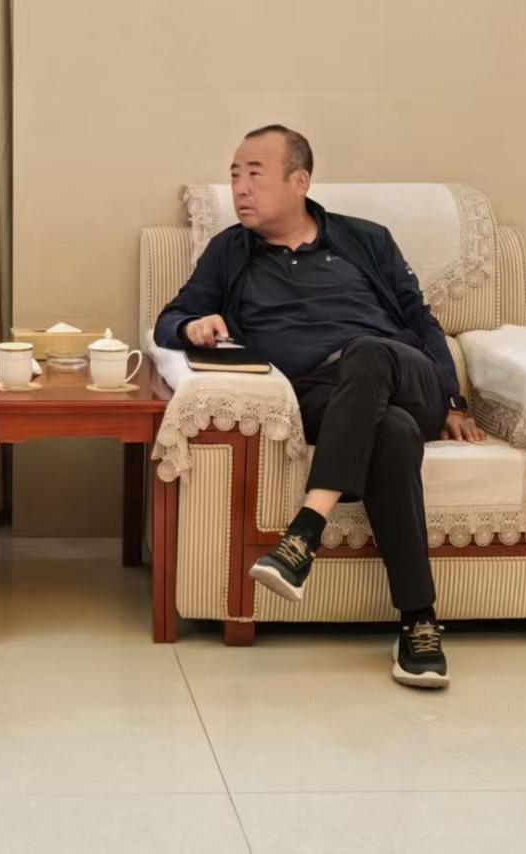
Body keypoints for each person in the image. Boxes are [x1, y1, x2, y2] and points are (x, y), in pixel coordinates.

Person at [155, 125, 484, 689]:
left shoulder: (366, 239)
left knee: (370, 354)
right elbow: (170, 320)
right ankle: (419, 621)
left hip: (403, 374)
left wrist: (454, 399)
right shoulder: (230, 251)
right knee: (392, 434)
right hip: (319, 399)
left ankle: (304, 533)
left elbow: (420, 320)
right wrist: (194, 326)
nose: (240, 188)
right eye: (235, 175)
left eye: (255, 173)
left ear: (299, 182)